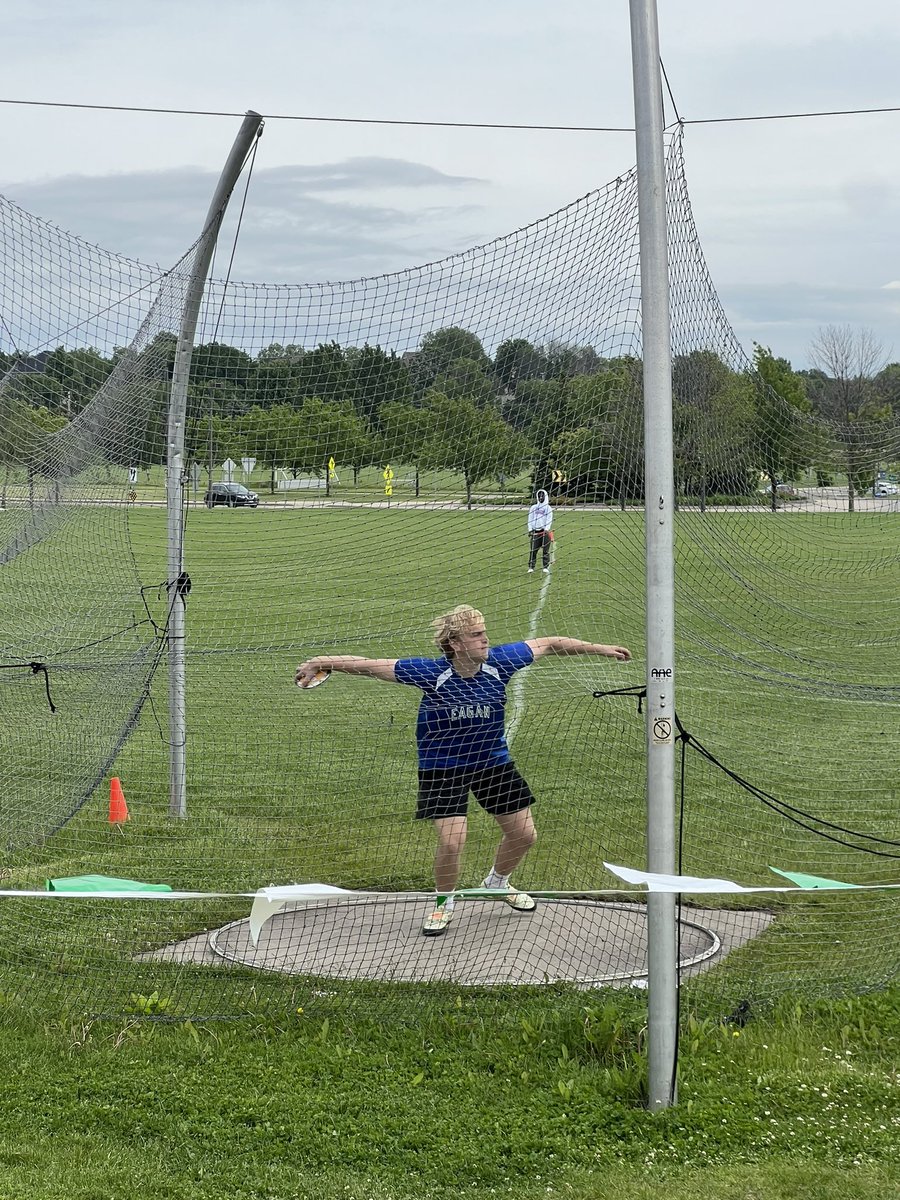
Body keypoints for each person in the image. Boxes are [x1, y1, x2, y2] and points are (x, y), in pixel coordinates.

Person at [295, 605, 631, 937]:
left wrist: (602, 650)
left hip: (491, 762)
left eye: (484, 632)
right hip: (443, 767)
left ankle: (496, 883)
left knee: (525, 836)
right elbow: (370, 666)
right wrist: (321, 663)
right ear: (456, 643)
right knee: (453, 842)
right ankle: (444, 902)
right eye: (477, 634)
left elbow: (549, 643)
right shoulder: (429, 673)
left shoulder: (501, 662)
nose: (486, 639)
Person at [527, 488, 553, 574]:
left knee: (545, 550)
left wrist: (546, 529)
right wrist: (530, 530)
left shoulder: (548, 508)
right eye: (539, 496)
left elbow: (549, 519)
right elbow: (530, 519)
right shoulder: (533, 508)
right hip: (535, 532)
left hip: (544, 532)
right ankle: (531, 567)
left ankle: (545, 566)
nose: (541, 497)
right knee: (533, 550)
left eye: (542, 496)